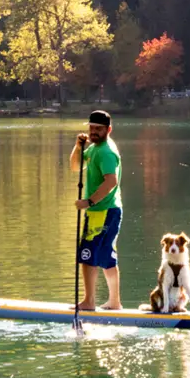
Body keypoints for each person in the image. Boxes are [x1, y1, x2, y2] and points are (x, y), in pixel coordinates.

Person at [69, 110, 123, 310]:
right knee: (107, 256)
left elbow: (111, 181)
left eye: (99, 129)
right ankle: (114, 302)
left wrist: (89, 201)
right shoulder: (94, 148)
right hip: (107, 210)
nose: (94, 132)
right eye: (91, 128)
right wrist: (77, 147)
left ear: (109, 129)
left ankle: (89, 302)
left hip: (103, 211)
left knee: (87, 255)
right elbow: (75, 167)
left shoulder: (105, 152)